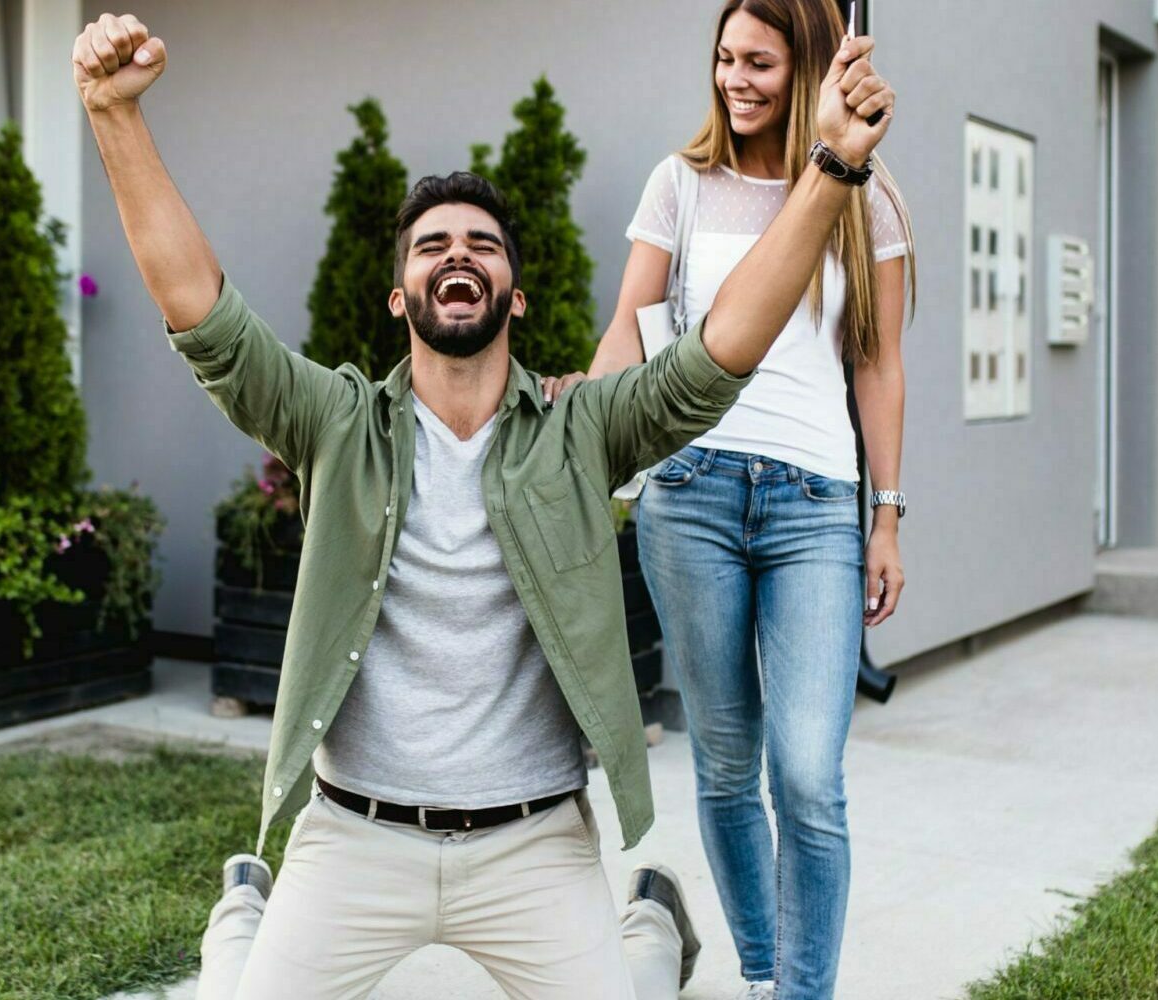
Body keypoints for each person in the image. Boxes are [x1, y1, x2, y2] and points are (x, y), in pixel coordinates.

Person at [72, 11, 894, 998]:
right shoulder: (335, 422)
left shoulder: (579, 430)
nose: (454, 255)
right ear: (397, 295)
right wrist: (114, 115)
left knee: (623, 980)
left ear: (512, 295)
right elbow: (197, 309)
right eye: (428, 246)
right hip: (352, 837)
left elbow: (722, 345)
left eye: (480, 244)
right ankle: (244, 908)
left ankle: (645, 921)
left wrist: (833, 168)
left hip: (531, 848)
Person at [544, 2, 917, 997]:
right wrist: (585, 433)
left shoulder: (861, 191)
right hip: (689, 495)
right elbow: (627, 328)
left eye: (757, 61)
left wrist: (885, 516)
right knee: (722, 763)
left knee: (806, 773)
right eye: (722, 59)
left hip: (812, 502)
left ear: (805, 68)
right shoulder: (679, 182)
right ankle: (763, 977)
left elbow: (876, 362)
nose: (733, 79)